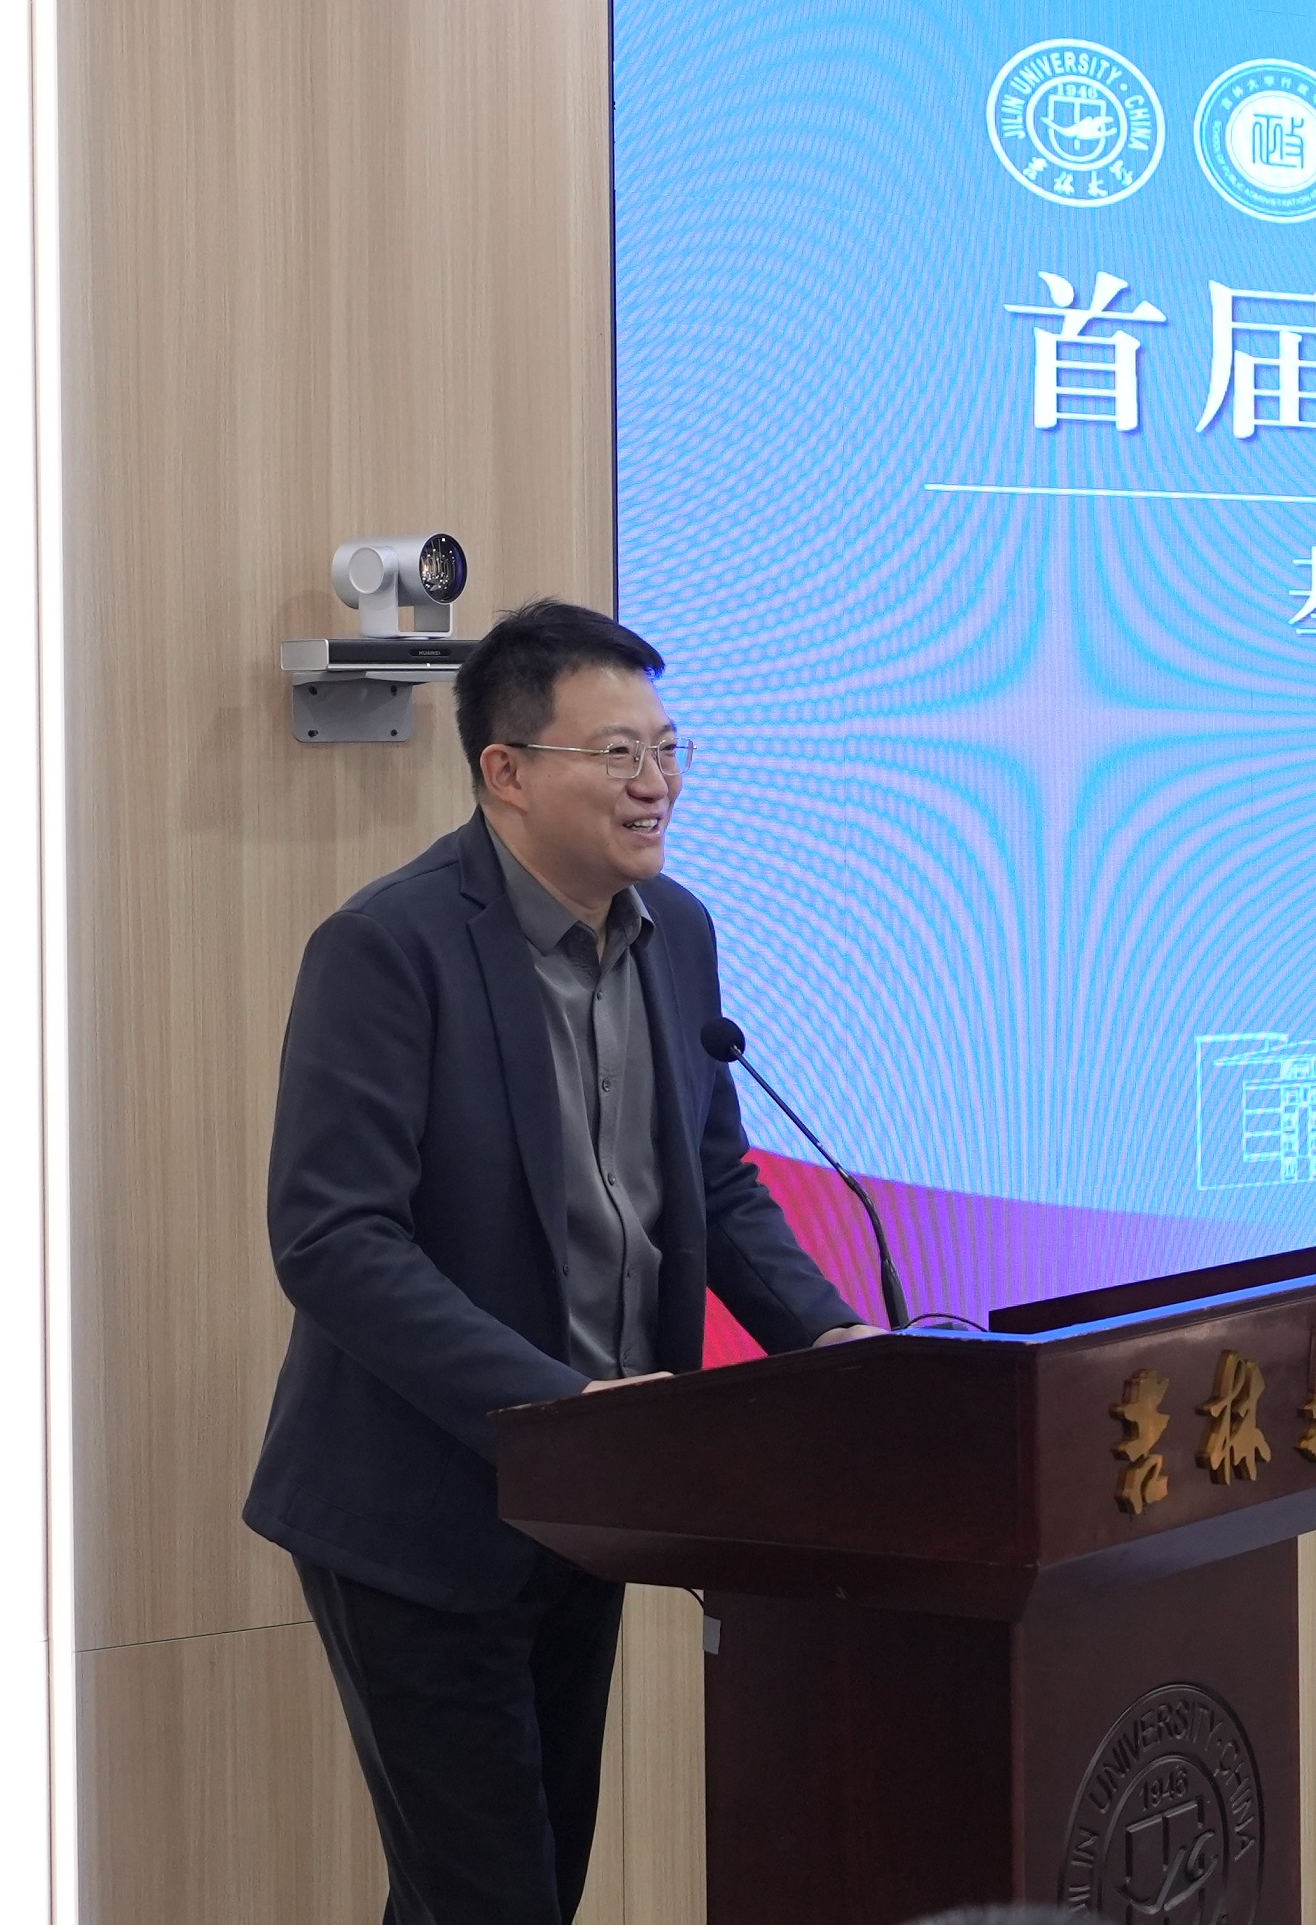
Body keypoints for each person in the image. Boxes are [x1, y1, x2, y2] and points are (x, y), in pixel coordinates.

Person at [243, 597, 880, 1925]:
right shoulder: (391, 947)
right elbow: (333, 1238)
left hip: (591, 1500)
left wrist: (825, 1340)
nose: (657, 784)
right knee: (491, 1899)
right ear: (508, 772)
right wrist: (555, 1408)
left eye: (668, 749)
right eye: (618, 754)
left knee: (525, 1882)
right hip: (420, 1512)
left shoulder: (676, 932)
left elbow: (713, 1182)